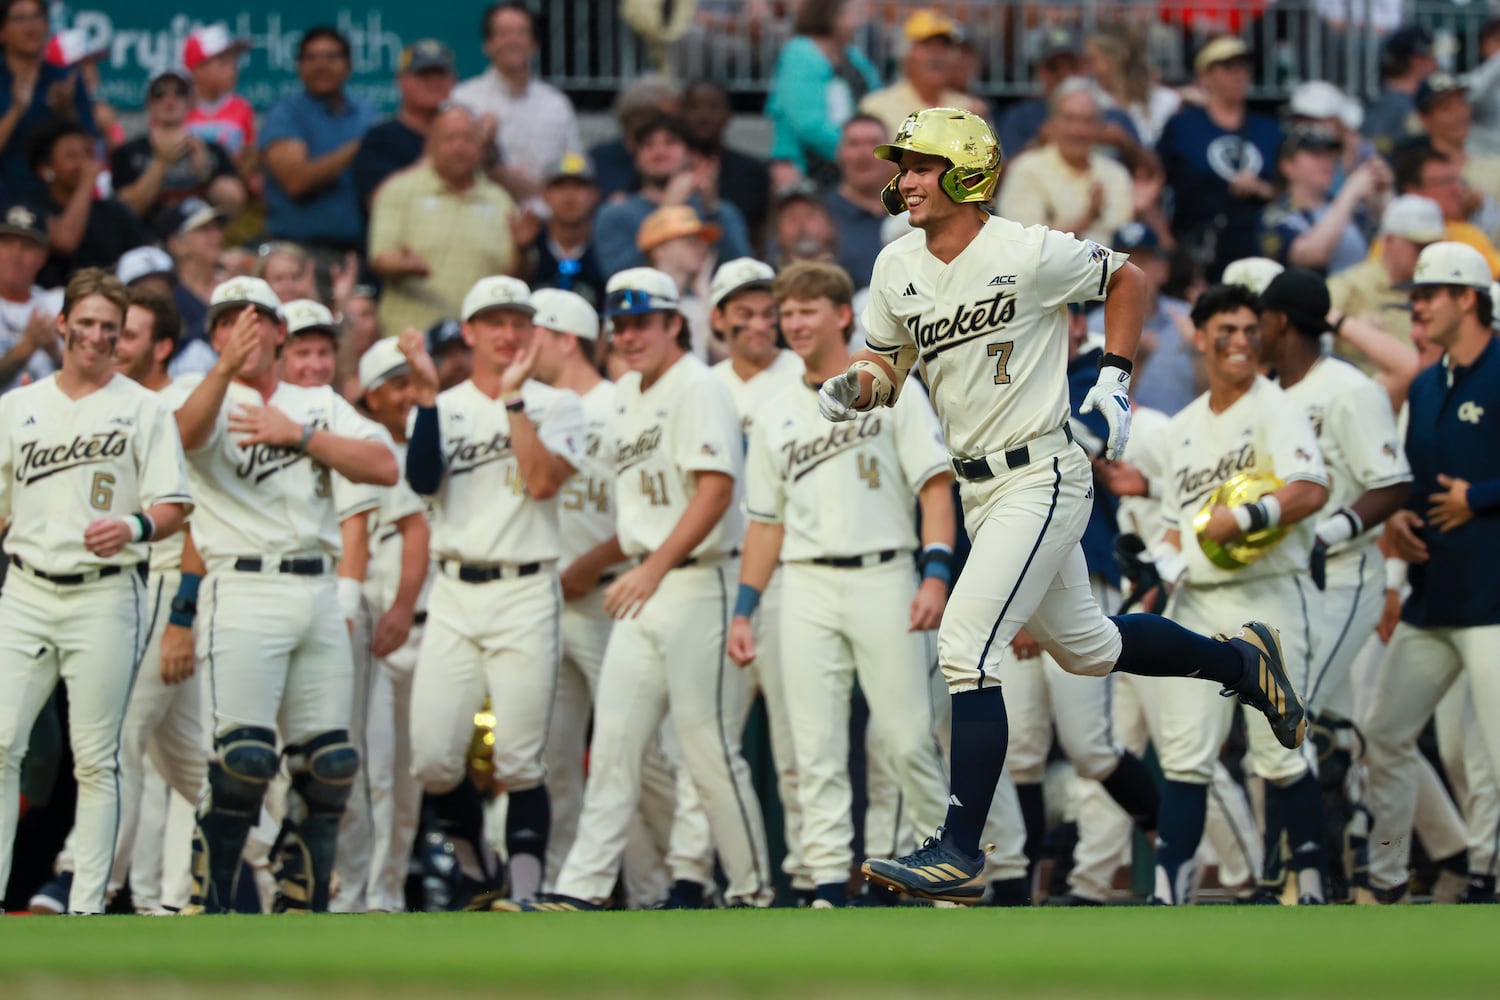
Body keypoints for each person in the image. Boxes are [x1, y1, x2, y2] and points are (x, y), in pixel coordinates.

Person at [815, 107, 1310, 906]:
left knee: (969, 646)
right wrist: (860, 384)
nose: (901, 178)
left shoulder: (1024, 248)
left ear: (965, 171)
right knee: (1086, 646)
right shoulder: (896, 265)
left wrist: (1114, 376)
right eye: (899, 164)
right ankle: (1240, 661)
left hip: (1042, 470)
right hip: (980, 484)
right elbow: (890, 360)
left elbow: (1129, 277)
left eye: (917, 163)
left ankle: (960, 849)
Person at [497, 267, 773, 911]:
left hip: (700, 578)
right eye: (620, 325)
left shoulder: (699, 386)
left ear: (675, 323)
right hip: (645, 582)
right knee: (614, 743)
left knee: (708, 749)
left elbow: (715, 492)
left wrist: (648, 569)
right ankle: (581, 888)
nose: (630, 334)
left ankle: (753, 887)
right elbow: (633, 516)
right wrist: (634, 565)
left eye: (643, 322)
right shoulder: (624, 392)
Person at [726, 259, 951, 907]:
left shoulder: (890, 387)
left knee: (908, 739)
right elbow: (764, 526)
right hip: (803, 585)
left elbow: (934, 486)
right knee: (816, 746)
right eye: (785, 313)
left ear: (842, 315)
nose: (793, 323)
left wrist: (935, 574)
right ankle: (828, 881)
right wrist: (745, 609)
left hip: (885, 570)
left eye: (805, 311)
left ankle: (944, 865)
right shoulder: (773, 415)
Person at [171, 275, 398, 913]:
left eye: (253, 319)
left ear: (278, 331)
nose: (239, 330)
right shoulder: (198, 390)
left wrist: (297, 435)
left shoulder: (318, 404)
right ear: (214, 334)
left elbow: (384, 466)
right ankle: (208, 900)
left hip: (319, 587)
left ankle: (301, 904)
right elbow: (182, 438)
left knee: (329, 765)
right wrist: (223, 369)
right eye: (224, 322)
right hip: (242, 587)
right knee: (242, 760)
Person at [0, 268, 192, 915]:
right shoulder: (17, 407)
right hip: (25, 587)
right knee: (1, 745)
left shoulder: (144, 408)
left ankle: (86, 909)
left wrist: (135, 524)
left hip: (106, 592)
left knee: (97, 754)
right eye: (86, 324)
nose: (97, 338)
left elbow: (173, 505)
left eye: (110, 328)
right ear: (62, 326)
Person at [1145, 283, 1333, 904]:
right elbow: (1174, 526)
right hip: (1199, 600)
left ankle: (1312, 890)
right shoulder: (1182, 427)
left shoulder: (1274, 406)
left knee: (1279, 751)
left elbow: (1311, 488)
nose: (1242, 341)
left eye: (1252, 330)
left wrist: (1248, 518)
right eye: (1227, 329)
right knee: (1185, 755)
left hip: (1268, 593)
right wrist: (1162, 569)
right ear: (1200, 338)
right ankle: (1170, 897)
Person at [400, 276, 584, 904]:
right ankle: (479, 864)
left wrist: (512, 404)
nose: (508, 333)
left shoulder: (558, 403)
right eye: (494, 321)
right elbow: (423, 482)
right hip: (452, 590)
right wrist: (424, 399)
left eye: (518, 321)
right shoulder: (443, 404)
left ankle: (526, 891)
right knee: (431, 758)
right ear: (471, 332)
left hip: (526, 588)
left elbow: (539, 483)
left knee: (519, 759)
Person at [1258, 267, 1413, 901]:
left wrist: (1334, 531)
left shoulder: (1348, 390)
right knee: (1333, 732)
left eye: (1262, 319)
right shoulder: (1264, 395)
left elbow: (1393, 481)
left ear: (1283, 322)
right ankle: (1351, 870)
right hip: (1286, 579)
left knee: (1291, 718)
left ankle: (1298, 873)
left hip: (1344, 576)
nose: (1255, 332)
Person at [1365, 241, 1500, 904]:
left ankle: (1488, 874)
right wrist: (1396, 522)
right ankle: (1388, 873)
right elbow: (1409, 480)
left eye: (1430, 294)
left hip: (1495, 596)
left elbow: (1467, 487)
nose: (1416, 306)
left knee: (1497, 758)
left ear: (1468, 298)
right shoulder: (1424, 381)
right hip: (1434, 594)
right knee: (1385, 732)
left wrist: (1477, 497)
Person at [708, 257, 809, 899]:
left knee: (800, 744)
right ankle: (695, 875)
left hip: (793, 571)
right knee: (707, 739)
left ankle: (806, 873)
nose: (755, 319)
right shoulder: (701, 383)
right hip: (717, 573)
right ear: (717, 318)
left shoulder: (802, 375)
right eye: (739, 308)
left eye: (766, 307)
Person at [352, 337, 432, 913]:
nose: (405, 394)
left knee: (414, 781)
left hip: (433, 628)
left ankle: (390, 890)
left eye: (411, 382)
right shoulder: (357, 448)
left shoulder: (437, 439)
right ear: (369, 395)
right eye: (393, 384)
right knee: (374, 772)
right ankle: (367, 894)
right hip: (377, 630)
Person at [369, 104, 521, 339]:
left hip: (478, 345)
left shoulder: (500, 200)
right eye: (449, 138)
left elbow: (513, 277)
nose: (459, 147)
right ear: (429, 145)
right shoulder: (398, 190)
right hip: (411, 338)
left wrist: (523, 247)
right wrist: (403, 266)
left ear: (481, 147)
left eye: (468, 139)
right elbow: (379, 257)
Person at [1157, 36, 1282, 279]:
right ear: (1205, 76)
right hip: (1197, 250)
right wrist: (1168, 242)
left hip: (1257, 248)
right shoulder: (1182, 126)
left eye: (1244, 67)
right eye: (1228, 68)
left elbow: (1288, 189)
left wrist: (1260, 189)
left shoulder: (1268, 127)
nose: (1239, 75)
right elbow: (1157, 180)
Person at [452, 1, 584, 201]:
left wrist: (553, 177)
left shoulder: (556, 105)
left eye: (521, 33)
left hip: (543, 215)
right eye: (504, 33)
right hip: (481, 214)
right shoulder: (463, 99)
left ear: (534, 44)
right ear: (488, 45)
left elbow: (574, 163)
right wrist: (481, 142)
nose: (513, 41)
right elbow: (447, 165)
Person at [259, 27, 375, 255]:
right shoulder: (286, 114)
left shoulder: (366, 112)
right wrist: (359, 147)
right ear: (299, 66)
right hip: (299, 250)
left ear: (348, 65)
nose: (322, 65)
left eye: (332, 57)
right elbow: (296, 181)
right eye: (312, 58)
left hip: (361, 250)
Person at [594, 114, 753, 277]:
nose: (659, 151)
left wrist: (711, 211)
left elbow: (742, 274)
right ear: (636, 159)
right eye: (648, 145)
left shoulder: (721, 212)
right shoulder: (615, 214)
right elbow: (620, 277)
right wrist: (667, 212)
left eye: (670, 142)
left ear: (693, 155)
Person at [995, 79, 1135, 248]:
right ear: (1052, 123)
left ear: (1099, 127)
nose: (1079, 130)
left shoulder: (1116, 174)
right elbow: (1026, 246)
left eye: (1087, 120)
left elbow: (1129, 243)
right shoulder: (1026, 170)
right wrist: (1088, 217)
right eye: (1070, 119)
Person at [109, 69, 244, 237]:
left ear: (191, 102)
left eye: (179, 92)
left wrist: (206, 174)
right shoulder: (128, 152)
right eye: (160, 93)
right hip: (145, 243)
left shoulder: (212, 151)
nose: (170, 100)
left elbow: (234, 206)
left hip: (199, 242)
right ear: (149, 103)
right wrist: (161, 163)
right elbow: (124, 210)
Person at [765, 0, 880, 187]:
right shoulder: (799, 53)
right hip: (807, 169)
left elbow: (877, 99)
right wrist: (857, 154)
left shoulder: (852, 55)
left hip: (854, 164)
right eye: (855, 9)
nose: (862, 18)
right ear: (833, 12)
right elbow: (807, 124)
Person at [26, 118, 146, 288]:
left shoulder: (114, 212)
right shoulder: (31, 210)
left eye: (88, 154)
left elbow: (143, 258)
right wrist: (87, 181)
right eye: (72, 156)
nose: (85, 163)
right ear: (46, 169)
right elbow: (66, 241)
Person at [1257, 124, 1388, 276]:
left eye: (1329, 154)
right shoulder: (1275, 217)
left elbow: (1388, 238)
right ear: (1288, 166)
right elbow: (1311, 256)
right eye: (1315, 154)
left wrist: (1384, 191)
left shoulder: (1350, 208)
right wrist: (1349, 193)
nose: (1326, 161)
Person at [0, 0, 93, 204]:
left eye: (38, 16)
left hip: (57, 202)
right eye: (20, 18)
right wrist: (17, 110)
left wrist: (67, 112)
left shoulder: (66, 78)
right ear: (2, 31)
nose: (32, 26)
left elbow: (89, 151)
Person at [352, 40, 457, 216]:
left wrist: (486, 147)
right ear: (402, 81)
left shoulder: (466, 136)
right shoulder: (380, 138)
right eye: (423, 75)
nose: (433, 82)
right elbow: (378, 201)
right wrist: (438, 156)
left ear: (453, 81)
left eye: (440, 75)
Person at [1329, 194, 1445, 351]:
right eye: (1420, 247)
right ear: (1390, 241)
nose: (1427, 255)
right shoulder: (1350, 286)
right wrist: (1350, 332)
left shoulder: (1442, 291)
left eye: (1433, 247)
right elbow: (1312, 333)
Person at [859, 9, 987, 138]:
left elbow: (995, 157)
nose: (937, 56)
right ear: (905, 55)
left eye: (945, 47)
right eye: (927, 46)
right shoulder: (877, 107)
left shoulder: (970, 109)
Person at [681, 79, 772, 251]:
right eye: (694, 107)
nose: (704, 116)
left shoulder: (753, 173)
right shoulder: (663, 170)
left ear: (729, 114)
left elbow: (761, 236)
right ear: (681, 113)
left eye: (714, 107)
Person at [1393, 145, 1500, 276]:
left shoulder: (1468, 233)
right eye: (1444, 182)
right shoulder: (1395, 237)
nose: (1457, 190)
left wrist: (1480, 211)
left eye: (1457, 180)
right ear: (1412, 191)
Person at [587, 74, 681, 202]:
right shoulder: (601, 157)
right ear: (627, 118)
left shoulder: (681, 155)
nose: (652, 123)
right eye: (645, 115)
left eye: (660, 117)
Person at [826, 114, 894, 290]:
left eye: (873, 143)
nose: (864, 154)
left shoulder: (914, 212)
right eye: (854, 144)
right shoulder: (819, 216)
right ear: (839, 154)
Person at [528, 154, 606, 306]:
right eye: (560, 186)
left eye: (579, 186)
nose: (569, 195)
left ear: (595, 195)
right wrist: (521, 251)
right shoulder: (531, 246)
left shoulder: (607, 249)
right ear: (545, 195)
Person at [0, 202, 60, 392]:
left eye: (26, 246)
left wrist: (56, 353)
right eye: (7, 243)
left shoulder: (59, 302)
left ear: (42, 256)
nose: (15, 255)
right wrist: (27, 347)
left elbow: (96, 378)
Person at [182, 25, 255, 168]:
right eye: (224, 62)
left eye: (234, 61)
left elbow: (249, 157)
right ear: (198, 69)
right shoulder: (175, 107)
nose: (233, 69)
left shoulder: (242, 108)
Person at [1363, 25, 1436, 159]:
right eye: (1430, 56)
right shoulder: (1388, 104)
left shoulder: (1417, 99)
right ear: (1416, 61)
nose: (1435, 62)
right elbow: (1373, 146)